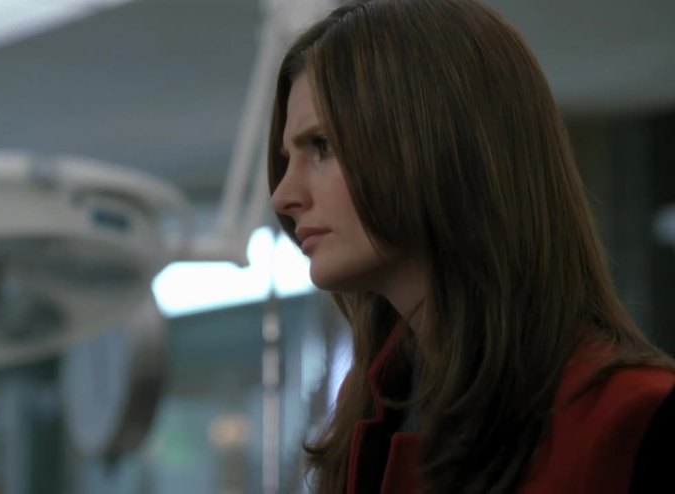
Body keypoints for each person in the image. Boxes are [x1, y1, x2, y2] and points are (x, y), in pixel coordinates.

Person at [267, 0, 675, 492]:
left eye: (322, 146)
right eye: (288, 157)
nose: (283, 195)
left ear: (440, 144)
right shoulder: (371, 412)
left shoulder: (635, 419)